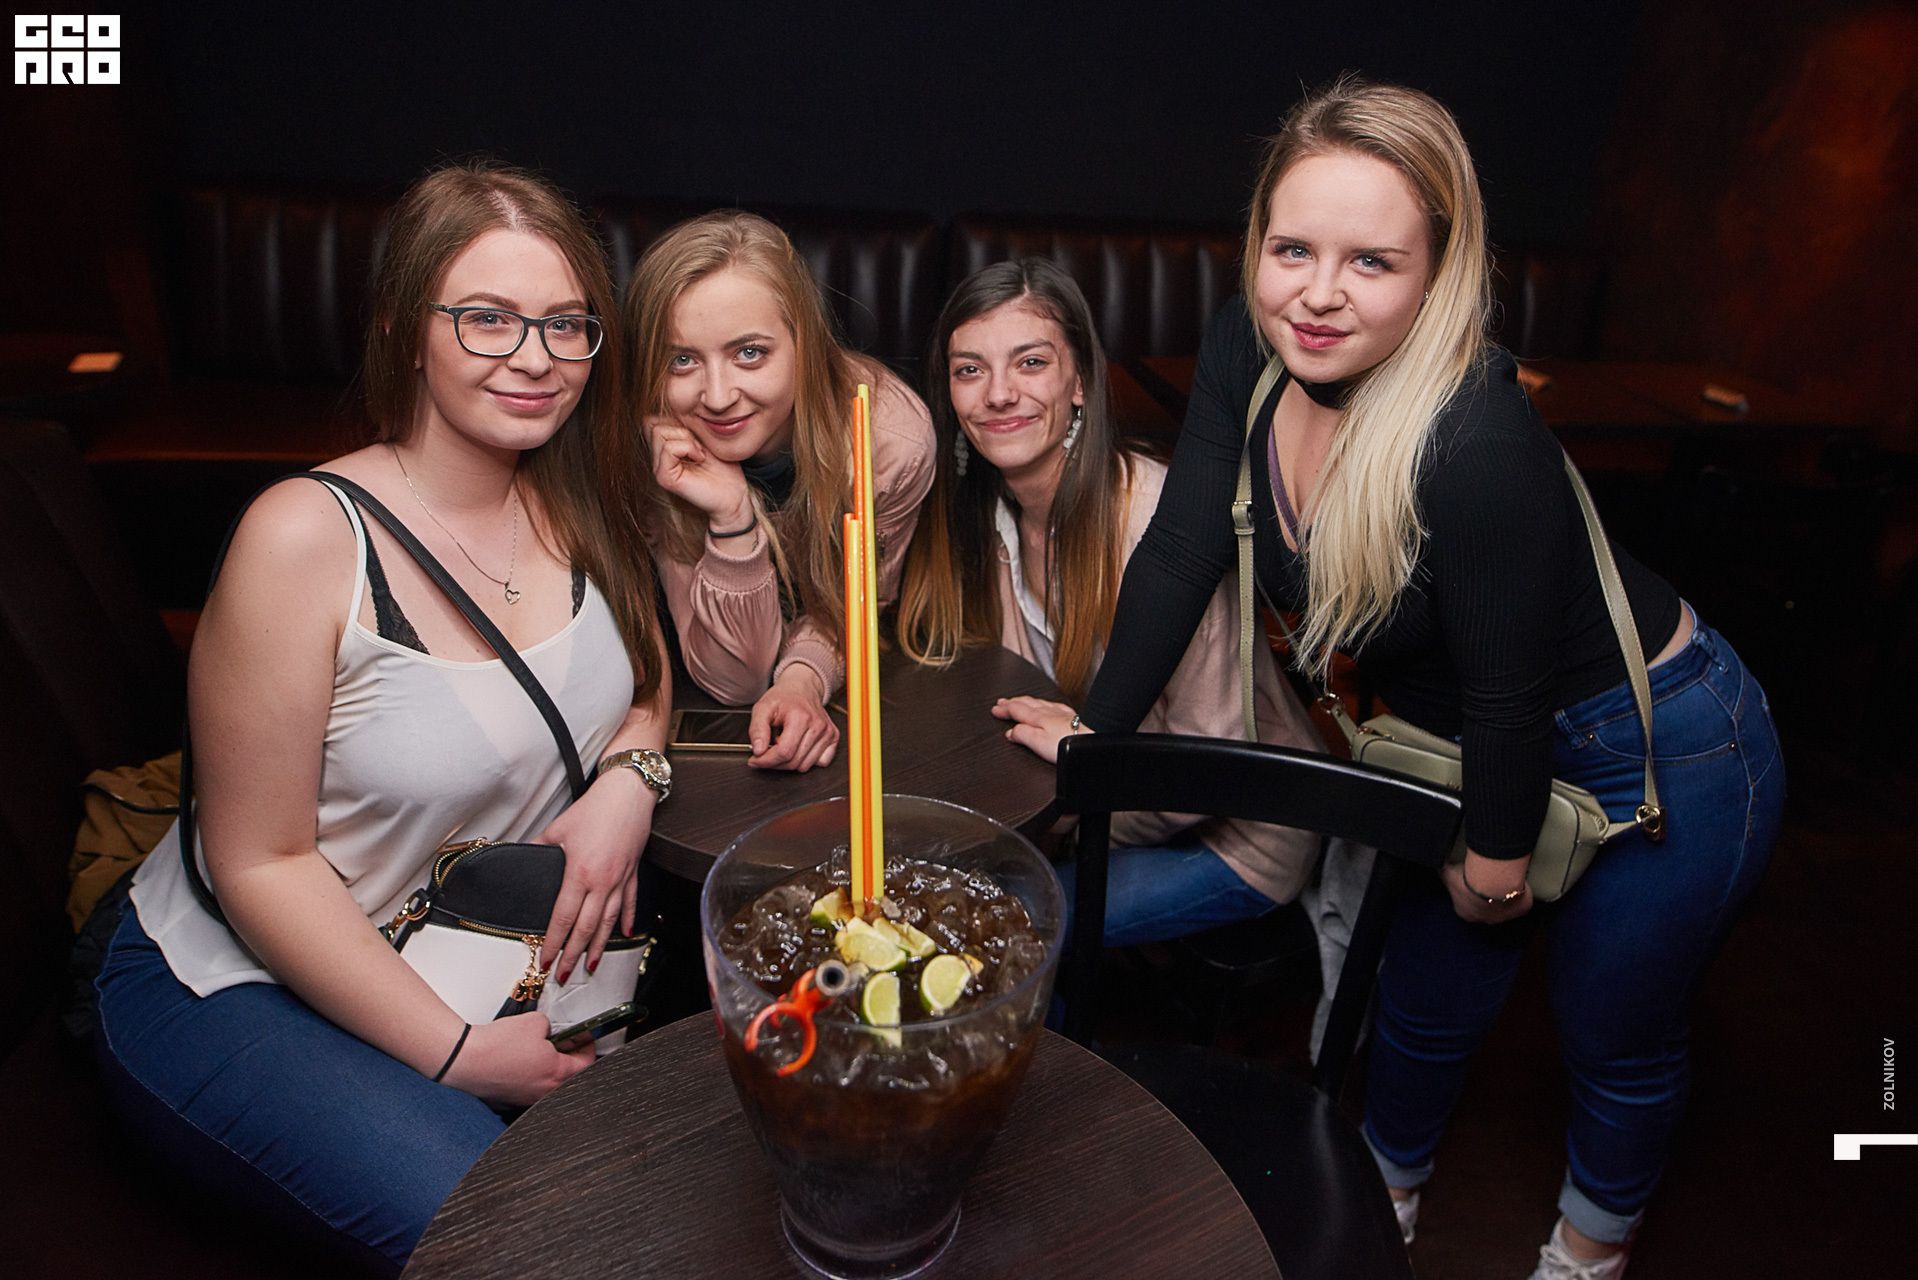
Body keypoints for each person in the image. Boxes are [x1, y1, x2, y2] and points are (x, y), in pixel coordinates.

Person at [1075, 79, 1784, 1280]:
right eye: (1291, 249)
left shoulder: (1477, 440)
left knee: (1610, 1031)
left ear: (1437, 272)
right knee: (1417, 1004)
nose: (1317, 292)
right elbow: (1186, 544)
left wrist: (1495, 860)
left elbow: (1511, 697)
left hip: (1661, 742)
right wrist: (1089, 734)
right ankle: (1381, 1200)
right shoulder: (1251, 346)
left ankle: (1585, 1251)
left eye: (1371, 261)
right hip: (1472, 741)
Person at [94, 161, 673, 1275]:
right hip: (243, 984)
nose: (535, 356)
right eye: (487, 317)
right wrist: (458, 1054)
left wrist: (628, 783)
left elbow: (648, 681)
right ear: (410, 331)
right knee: (530, 1237)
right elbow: (259, 862)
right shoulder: (304, 538)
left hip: (469, 956)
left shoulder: (583, 496)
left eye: (565, 323)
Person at [897, 258, 1322, 944]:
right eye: (969, 370)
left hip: (1239, 833)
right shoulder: (990, 517)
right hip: (1098, 809)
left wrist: (1060, 825)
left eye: (1031, 363)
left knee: (993, 928)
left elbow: (1209, 762)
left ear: (1081, 384)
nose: (998, 394)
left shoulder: (1154, 522)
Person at [624, 212, 935, 771]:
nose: (718, 397)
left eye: (749, 352)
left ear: (804, 343)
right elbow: (735, 681)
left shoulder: (889, 441)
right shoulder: (659, 446)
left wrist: (803, 679)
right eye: (682, 360)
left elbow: (853, 605)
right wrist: (732, 516)